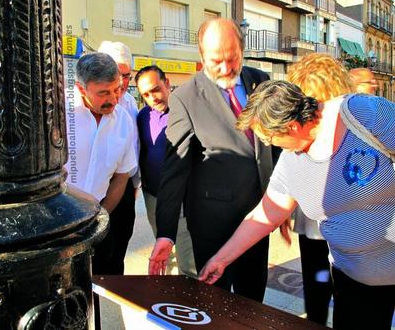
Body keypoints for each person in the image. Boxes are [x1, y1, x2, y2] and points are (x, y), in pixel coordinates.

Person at [199, 57, 395, 329]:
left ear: (292, 127)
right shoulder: (291, 159)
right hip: (356, 280)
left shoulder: (362, 113)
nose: (269, 145)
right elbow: (266, 214)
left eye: (270, 138)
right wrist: (221, 259)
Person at [148, 18, 275, 302]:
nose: (226, 68)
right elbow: (174, 169)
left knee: (253, 298)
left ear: (243, 50)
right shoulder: (185, 97)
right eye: (216, 60)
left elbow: (272, 147)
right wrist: (166, 233)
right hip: (211, 224)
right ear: (202, 56)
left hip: (257, 216)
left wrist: (278, 201)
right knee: (215, 302)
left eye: (233, 58)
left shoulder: (261, 81)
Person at [290, 63, 381, 325]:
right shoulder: (301, 130)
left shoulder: (371, 124)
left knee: (351, 298)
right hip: (314, 228)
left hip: (354, 238)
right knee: (317, 284)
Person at [64, 52, 137, 328]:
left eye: (118, 89)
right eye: (103, 92)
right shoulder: (58, 113)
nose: (114, 98)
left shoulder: (123, 122)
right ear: (81, 88)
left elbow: (121, 178)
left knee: (93, 297)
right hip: (60, 229)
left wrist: (100, 217)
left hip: (95, 226)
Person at [136, 65, 197, 278]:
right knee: (162, 243)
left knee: (187, 256)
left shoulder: (187, 113)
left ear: (167, 83)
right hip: (152, 195)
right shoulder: (142, 116)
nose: (153, 97)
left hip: (181, 197)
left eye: (156, 89)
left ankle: (189, 296)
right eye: (146, 94)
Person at [97, 41, 140, 275]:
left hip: (124, 187)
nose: (122, 82)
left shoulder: (131, 103)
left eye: (127, 75)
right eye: (117, 73)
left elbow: (135, 144)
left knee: (118, 248)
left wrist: (135, 184)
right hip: (95, 189)